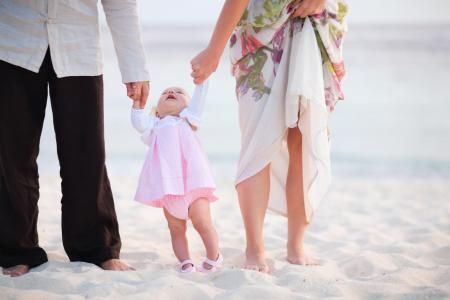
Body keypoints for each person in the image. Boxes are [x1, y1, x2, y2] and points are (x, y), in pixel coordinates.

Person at [190, 0, 348, 272]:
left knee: (303, 138)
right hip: (262, 31)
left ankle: (295, 245)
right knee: (258, 141)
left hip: (316, 26)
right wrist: (213, 51)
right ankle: (254, 248)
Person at [0, 0, 150, 277]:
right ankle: (15, 250)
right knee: (12, 156)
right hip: (12, 44)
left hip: (79, 49)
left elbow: (121, 5)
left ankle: (96, 249)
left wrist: (135, 70)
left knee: (87, 155)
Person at [130, 81, 222, 273]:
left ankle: (214, 256)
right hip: (169, 190)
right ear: (157, 111)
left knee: (202, 222)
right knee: (176, 229)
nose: (171, 92)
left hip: (194, 186)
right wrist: (137, 105)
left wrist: (202, 81)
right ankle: (185, 260)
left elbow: (199, 99)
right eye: (164, 92)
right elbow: (139, 123)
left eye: (179, 92)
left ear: (188, 107)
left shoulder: (188, 120)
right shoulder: (154, 126)